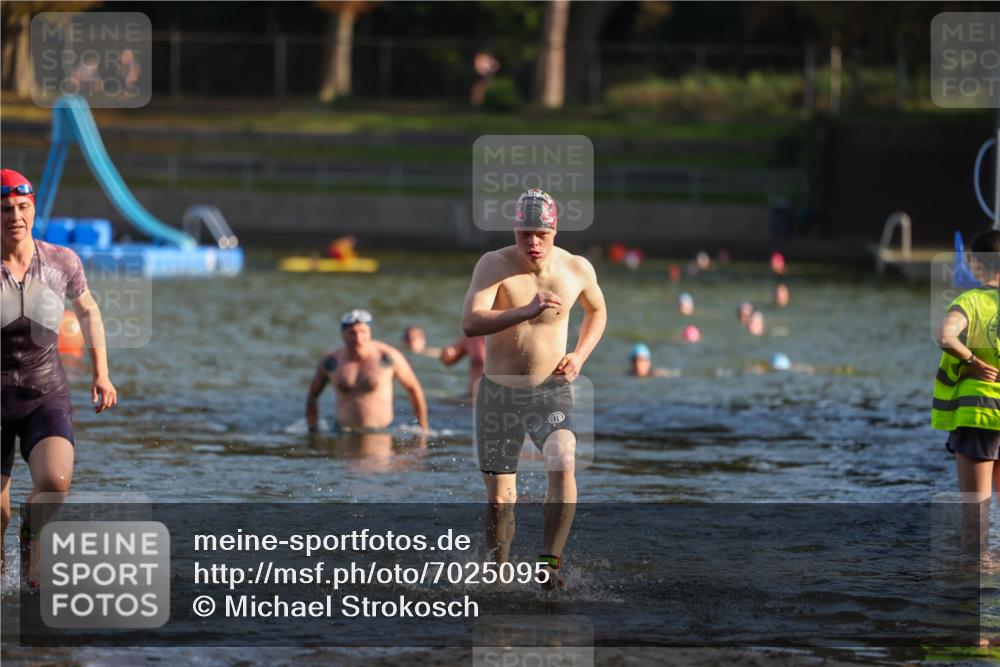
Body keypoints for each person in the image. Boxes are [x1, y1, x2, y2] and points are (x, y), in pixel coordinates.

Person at [461, 188, 607, 589]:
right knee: (499, 500)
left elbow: (597, 310)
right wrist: (525, 310)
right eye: (524, 233)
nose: (532, 243)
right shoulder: (494, 265)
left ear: (554, 230)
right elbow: (471, 322)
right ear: (514, 230)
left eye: (540, 234)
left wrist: (579, 356)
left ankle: (549, 563)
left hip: (550, 391)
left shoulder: (576, 269)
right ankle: (498, 574)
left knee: (563, 458)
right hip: (498, 393)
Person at [1, 169, 118, 581]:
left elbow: (88, 310)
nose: (14, 216)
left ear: (33, 210)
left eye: (22, 207)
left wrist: (101, 374)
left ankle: (30, 545)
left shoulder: (60, 261)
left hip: (43, 394)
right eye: (5, 209)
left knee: (56, 481)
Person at [932, 230, 1000, 557]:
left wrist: (972, 360)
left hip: (979, 418)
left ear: (975, 264)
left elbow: (945, 336)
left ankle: (974, 601)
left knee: (976, 533)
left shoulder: (970, 302)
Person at [306, 309, 429, 434]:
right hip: (343, 432)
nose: (358, 338)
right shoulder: (331, 361)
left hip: (381, 433)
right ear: (343, 334)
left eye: (363, 332)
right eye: (352, 333)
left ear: (370, 332)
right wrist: (312, 430)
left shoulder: (388, 357)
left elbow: (414, 390)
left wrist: (423, 429)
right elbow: (313, 396)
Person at [439, 331, 485, 399]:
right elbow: (448, 359)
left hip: (500, 399)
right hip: (472, 399)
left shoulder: (505, 333)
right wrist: (447, 354)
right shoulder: (474, 333)